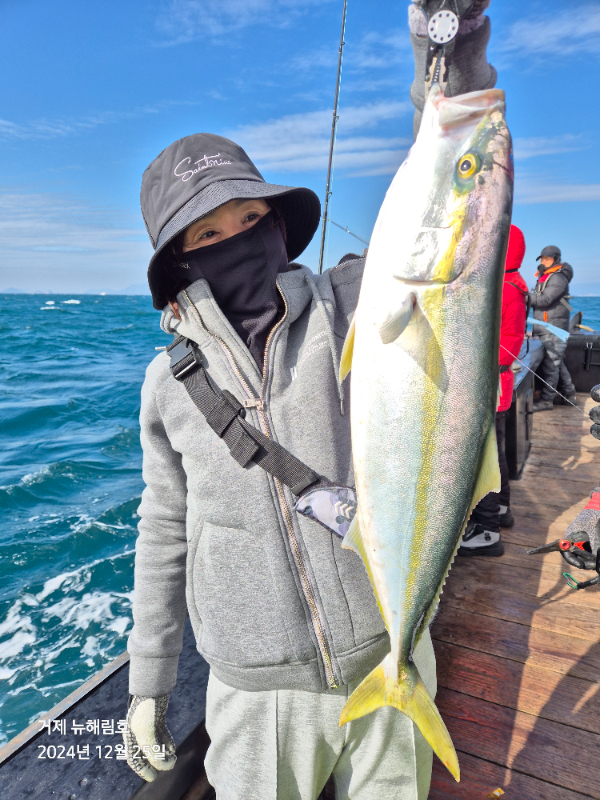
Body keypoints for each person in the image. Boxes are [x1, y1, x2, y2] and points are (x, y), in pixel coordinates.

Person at [123, 3, 498, 797]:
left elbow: (446, 190)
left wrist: (449, 41)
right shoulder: (169, 386)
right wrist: (149, 681)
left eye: (251, 217)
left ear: (278, 225)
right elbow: (163, 533)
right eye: (208, 234)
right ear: (179, 261)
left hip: (388, 648)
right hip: (257, 695)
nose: (237, 239)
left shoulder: (353, 306)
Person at [458, 225, 528, 557]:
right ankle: (500, 509)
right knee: (496, 453)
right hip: (500, 385)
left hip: (488, 386)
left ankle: (487, 531)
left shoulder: (501, 289)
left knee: (484, 459)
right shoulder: (514, 284)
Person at [529, 245, 576, 412]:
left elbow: (545, 300)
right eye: (542, 259)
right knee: (557, 363)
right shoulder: (545, 277)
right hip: (547, 327)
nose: (544, 261)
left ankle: (547, 400)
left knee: (552, 366)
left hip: (553, 328)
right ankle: (569, 395)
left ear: (556, 260)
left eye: (547, 259)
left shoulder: (557, 278)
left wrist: (523, 296)